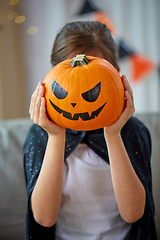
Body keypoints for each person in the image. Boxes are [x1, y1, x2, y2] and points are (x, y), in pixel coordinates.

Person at [23, 21, 157, 240]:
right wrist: (56, 135)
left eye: (93, 83)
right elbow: (44, 218)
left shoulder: (131, 131)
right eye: (70, 81)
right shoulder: (40, 135)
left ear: (117, 75)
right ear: (52, 76)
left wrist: (113, 134)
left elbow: (134, 214)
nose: (77, 100)